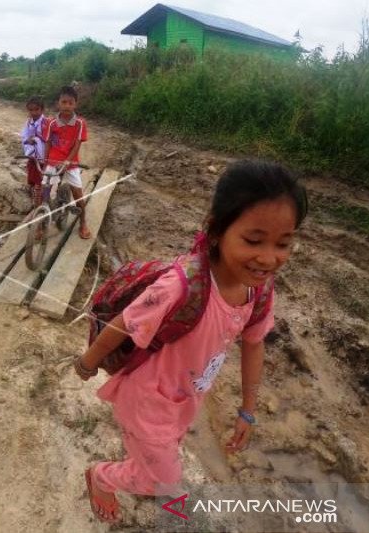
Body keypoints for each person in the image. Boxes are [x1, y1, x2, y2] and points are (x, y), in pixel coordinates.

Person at [74, 160, 308, 522]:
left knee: (164, 456)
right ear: (216, 230)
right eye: (253, 240)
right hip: (147, 400)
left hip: (183, 399)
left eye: (283, 243)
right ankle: (102, 476)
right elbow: (124, 323)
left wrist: (248, 408)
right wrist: (88, 362)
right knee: (162, 480)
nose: (268, 258)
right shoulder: (180, 287)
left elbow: (254, 342)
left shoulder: (258, 289)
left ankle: (157, 481)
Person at [42, 85, 91, 239]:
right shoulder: (51, 122)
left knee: (78, 194)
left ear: (75, 104)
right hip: (53, 160)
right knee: (44, 192)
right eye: (64, 102)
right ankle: (40, 223)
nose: (67, 106)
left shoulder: (80, 123)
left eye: (70, 103)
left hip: (71, 163)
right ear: (58, 103)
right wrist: (45, 161)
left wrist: (68, 161)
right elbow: (48, 143)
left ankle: (83, 223)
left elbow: (77, 144)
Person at [20, 95, 48, 206]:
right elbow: (24, 136)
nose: (34, 112)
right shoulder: (28, 123)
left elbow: (48, 138)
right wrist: (28, 141)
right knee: (31, 173)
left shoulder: (46, 123)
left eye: (36, 109)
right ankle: (32, 191)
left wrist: (37, 139)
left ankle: (39, 199)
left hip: (42, 154)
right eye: (31, 110)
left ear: (42, 109)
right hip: (32, 155)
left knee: (40, 177)